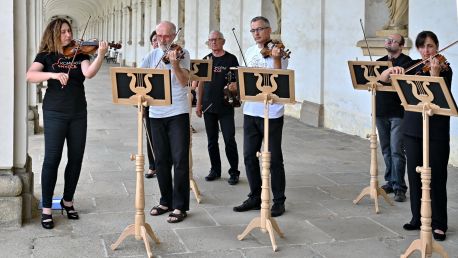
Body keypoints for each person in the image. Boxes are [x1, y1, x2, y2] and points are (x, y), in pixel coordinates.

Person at [26, 18, 108, 229]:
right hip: (54, 112)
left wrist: (100, 55)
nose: (68, 35)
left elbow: (89, 73)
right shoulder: (46, 55)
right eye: (63, 32)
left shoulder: (80, 54)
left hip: (78, 112)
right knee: (52, 159)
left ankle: (68, 200)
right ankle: (46, 208)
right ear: (54, 34)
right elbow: (30, 75)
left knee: (76, 158)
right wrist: (53, 74)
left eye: (69, 31)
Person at [380, 31, 452, 241]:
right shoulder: (414, 67)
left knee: (437, 176)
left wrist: (435, 75)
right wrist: (390, 71)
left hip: (436, 131)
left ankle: (439, 223)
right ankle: (417, 218)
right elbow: (383, 80)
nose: (426, 51)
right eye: (422, 47)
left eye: (430, 46)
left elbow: (440, 92)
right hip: (412, 129)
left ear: (436, 47)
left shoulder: (444, 69)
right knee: (414, 174)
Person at [233, 16, 288, 217]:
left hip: (272, 113)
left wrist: (275, 58)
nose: (256, 33)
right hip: (251, 111)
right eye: (253, 30)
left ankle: (279, 201)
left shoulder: (279, 50)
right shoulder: (249, 51)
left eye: (260, 29)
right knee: (249, 156)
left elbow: (280, 79)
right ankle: (255, 197)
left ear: (269, 29)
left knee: (274, 158)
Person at [140, 21, 191, 223]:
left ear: (174, 36)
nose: (163, 40)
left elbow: (184, 81)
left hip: (177, 112)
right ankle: (165, 201)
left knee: (179, 160)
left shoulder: (182, 54)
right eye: (159, 36)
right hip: (156, 114)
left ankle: (180, 206)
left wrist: (175, 64)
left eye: (167, 36)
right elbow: (140, 79)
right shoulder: (152, 56)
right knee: (161, 160)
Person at [195, 30, 241, 185]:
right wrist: (198, 104)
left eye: (216, 39)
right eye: (210, 40)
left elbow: (238, 81)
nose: (213, 42)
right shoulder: (205, 60)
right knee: (212, 141)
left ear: (223, 41)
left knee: (229, 139)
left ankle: (234, 171)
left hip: (226, 106)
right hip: (208, 106)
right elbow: (200, 84)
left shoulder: (231, 59)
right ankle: (215, 170)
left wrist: (236, 87)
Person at [376, 33, 411, 202]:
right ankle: (390, 181)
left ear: (401, 46)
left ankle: (400, 187)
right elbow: (374, 83)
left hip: (398, 112)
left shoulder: (408, 63)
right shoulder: (379, 63)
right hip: (380, 110)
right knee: (385, 149)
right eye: (387, 40)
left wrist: (394, 74)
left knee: (397, 150)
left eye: (393, 41)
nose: (389, 42)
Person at [144, 30, 158, 179]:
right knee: (150, 135)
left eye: (158, 39)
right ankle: (152, 166)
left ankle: (165, 164)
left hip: (167, 102)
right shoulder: (148, 58)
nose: (156, 42)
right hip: (149, 101)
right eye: (154, 40)